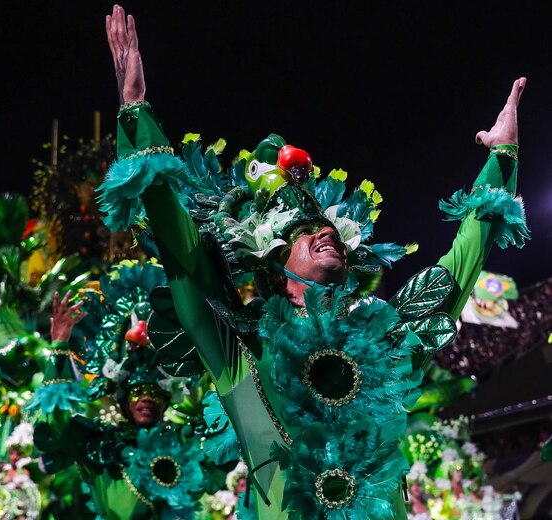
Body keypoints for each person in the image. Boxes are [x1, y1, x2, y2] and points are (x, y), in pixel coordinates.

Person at [99, 5, 528, 519]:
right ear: (274, 265)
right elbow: (183, 251)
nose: (325, 231)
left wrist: (502, 158)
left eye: (328, 229)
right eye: (305, 233)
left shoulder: (384, 345)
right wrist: (136, 112)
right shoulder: (241, 349)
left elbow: (459, 269)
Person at [28, 262, 210, 519]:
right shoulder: (101, 448)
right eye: (137, 391)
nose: (147, 397)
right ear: (123, 401)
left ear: (168, 401)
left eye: (155, 392)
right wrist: (59, 345)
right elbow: (56, 421)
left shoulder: (186, 446)